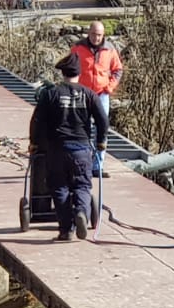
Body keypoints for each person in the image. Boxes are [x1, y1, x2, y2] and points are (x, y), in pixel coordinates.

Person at [29, 56, 108, 241]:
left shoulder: (50, 94)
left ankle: (66, 230)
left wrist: (34, 142)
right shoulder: (89, 95)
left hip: (57, 149)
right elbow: (103, 120)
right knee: (82, 185)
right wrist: (101, 141)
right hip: (81, 149)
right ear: (79, 73)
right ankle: (81, 211)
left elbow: (37, 121)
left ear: (62, 73)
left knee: (59, 187)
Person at [67, 21, 123, 177]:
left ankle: (97, 166)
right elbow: (70, 68)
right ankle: (82, 163)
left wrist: (109, 87)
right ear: (88, 33)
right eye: (93, 34)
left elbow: (117, 70)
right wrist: (73, 88)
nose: (96, 38)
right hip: (83, 95)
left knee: (102, 129)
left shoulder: (110, 49)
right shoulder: (78, 48)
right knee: (81, 128)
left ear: (103, 35)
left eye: (99, 35)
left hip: (101, 94)